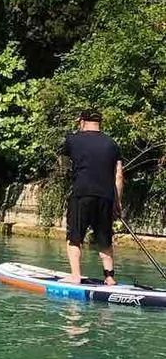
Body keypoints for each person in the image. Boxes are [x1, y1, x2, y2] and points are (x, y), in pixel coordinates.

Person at [61, 109, 124, 285]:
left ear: (82, 121)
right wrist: (117, 202)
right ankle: (110, 277)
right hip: (106, 196)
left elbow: (63, 164)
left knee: (75, 236)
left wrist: (70, 173)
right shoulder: (112, 144)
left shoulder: (72, 140)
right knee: (104, 239)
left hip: (82, 193)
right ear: (99, 123)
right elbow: (119, 175)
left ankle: (75, 276)